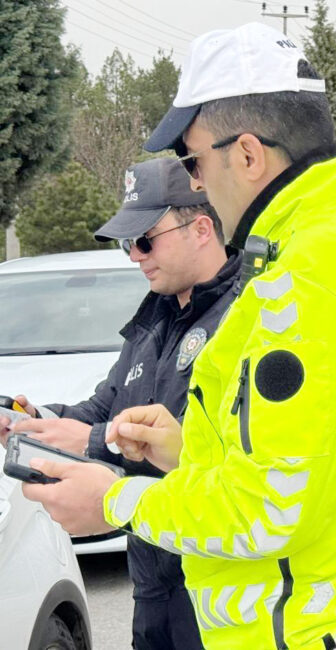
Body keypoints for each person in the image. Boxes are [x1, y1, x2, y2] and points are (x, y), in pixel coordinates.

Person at [22, 22, 336, 650]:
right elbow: (325, 453)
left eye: (194, 162)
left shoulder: (311, 277)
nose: (197, 184)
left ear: (248, 155)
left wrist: (117, 502)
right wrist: (185, 450)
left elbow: (269, 510)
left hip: (307, 627)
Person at [1, 157, 236, 650]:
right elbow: (104, 407)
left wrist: (92, 441)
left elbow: (216, 452)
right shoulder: (155, 320)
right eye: (128, 244)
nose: (135, 257)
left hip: (221, 590)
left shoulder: (245, 318)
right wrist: (35, 421)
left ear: (201, 229)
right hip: (152, 585)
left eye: (145, 240)